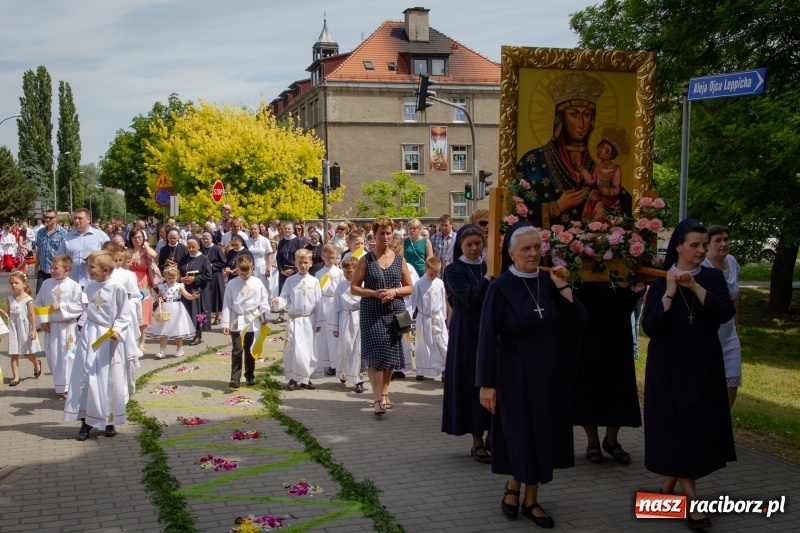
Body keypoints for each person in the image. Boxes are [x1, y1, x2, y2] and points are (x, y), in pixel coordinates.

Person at [477, 226, 586, 529]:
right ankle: (518, 489)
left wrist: (564, 288)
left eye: (537, 247)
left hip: (550, 374)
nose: (533, 253)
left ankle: (528, 497)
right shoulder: (500, 288)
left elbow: (580, 322)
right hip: (513, 374)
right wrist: (486, 383)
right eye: (526, 249)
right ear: (511, 253)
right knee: (521, 435)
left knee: (542, 435)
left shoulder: (549, 282)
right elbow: (486, 337)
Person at [642, 219, 736, 529]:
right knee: (677, 431)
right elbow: (650, 327)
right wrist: (670, 291)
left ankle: (665, 494)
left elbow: (724, 313)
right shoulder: (659, 282)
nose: (700, 250)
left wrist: (694, 286)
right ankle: (693, 505)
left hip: (703, 365)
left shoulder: (712, 276)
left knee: (693, 432)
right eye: (693, 245)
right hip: (667, 368)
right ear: (678, 248)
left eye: (703, 245)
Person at [515, 73, 632, 227]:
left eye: (587, 115)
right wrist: (556, 207)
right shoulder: (533, 161)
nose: (582, 124)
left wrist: (619, 206)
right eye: (573, 114)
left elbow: (622, 198)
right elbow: (516, 208)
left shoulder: (600, 161)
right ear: (560, 118)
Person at [573, 280, 643, 465]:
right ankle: (592, 442)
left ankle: (611, 440)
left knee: (618, 386)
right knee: (589, 387)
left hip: (618, 336)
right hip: (590, 335)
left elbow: (636, 295)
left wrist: (627, 284)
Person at [63, 251, 132, 440]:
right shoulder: (90, 287)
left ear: (105, 270)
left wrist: (118, 329)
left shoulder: (117, 288)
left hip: (107, 337)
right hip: (89, 334)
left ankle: (109, 420)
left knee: (106, 377)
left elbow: (124, 315)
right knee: (86, 376)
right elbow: (86, 310)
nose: (88, 270)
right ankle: (85, 421)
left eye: (92, 267)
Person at [350, 217, 413, 415]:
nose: (385, 237)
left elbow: (410, 287)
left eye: (388, 233)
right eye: (381, 234)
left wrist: (395, 292)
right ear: (374, 236)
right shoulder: (365, 259)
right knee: (375, 355)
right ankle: (377, 398)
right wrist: (374, 293)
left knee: (390, 355)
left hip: (394, 312)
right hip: (371, 312)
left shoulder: (399, 259)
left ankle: (385, 392)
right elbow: (354, 288)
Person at [441, 224, 493, 462]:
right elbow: (470, 298)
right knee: (473, 383)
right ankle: (477, 440)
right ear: (460, 246)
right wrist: (489, 277)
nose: (474, 248)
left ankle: (494, 434)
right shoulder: (454, 270)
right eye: (469, 244)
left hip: (491, 330)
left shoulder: (487, 266)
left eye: (478, 244)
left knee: (493, 380)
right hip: (467, 333)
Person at [270, 249, 323, 391]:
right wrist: (278, 301)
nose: (303, 265)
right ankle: (293, 378)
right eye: (300, 262)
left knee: (307, 351)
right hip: (294, 320)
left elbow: (318, 303)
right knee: (293, 350)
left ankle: (306, 378)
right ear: (295, 263)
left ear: (311, 263)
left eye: (306, 262)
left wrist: (319, 321)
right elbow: (286, 299)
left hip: (308, 320)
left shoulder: (314, 281)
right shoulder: (290, 280)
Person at [702, 224, 742, 407]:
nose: (723, 243)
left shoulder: (732, 261)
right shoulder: (703, 265)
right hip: (709, 333)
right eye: (717, 240)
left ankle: (723, 424)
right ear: (708, 244)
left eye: (726, 239)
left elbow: (735, 297)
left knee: (731, 382)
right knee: (708, 382)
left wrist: (736, 326)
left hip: (729, 333)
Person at [34, 255, 83, 398]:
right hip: (51, 326)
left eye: (56, 268)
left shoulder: (74, 286)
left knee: (68, 357)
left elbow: (79, 306)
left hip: (67, 327)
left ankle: (68, 388)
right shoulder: (47, 284)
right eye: (52, 267)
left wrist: (61, 306)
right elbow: (38, 303)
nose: (52, 271)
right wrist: (42, 321)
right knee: (53, 357)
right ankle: (59, 385)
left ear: (66, 270)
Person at [221, 255, 270, 389]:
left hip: (253, 320)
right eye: (241, 273)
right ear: (236, 269)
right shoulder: (232, 283)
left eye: (247, 273)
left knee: (250, 350)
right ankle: (235, 379)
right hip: (237, 319)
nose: (244, 276)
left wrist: (265, 315)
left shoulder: (257, 282)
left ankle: (249, 375)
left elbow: (264, 301)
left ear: (252, 269)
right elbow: (227, 303)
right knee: (237, 349)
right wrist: (225, 323)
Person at [409, 256, 448, 380]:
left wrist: (444, 316)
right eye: (431, 274)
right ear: (425, 269)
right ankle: (421, 370)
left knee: (441, 342)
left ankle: (444, 368)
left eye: (436, 274)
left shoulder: (440, 283)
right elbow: (413, 302)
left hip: (437, 317)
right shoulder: (419, 283)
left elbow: (443, 300)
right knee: (424, 344)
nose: (433, 276)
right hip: (424, 318)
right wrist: (408, 317)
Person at [579, 127, 629, 221]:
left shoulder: (615, 169)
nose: (601, 151)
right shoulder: (597, 167)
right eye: (601, 146)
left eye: (607, 151)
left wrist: (608, 192)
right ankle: (590, 225)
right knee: (593, 194)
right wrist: (580, 168)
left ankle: (599, 227)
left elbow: (617, 188)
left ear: (612, 156)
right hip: (598, 196)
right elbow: (591, 181)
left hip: (610, 199)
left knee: (600, 206)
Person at [331, 255, 365, 393]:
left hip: (358, 318)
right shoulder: (341, 286)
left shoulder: (363, 284)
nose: (346, 274)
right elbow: (336, 307)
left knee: (358, 349)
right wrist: (335, 326)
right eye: (344, 272)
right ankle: (344, 372)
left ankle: (359, 379)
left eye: (350, 272)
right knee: (344, 347)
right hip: (345, 317)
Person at [2, 271, 42, 386]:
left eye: (16, 283)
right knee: (13, 352)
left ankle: (36, 363)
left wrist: (33, 329)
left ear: (24, 284)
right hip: (14, 328)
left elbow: (31, 316)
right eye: (11, 283)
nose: (13, 285)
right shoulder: (10, 299)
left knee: (26, 353)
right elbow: (10, 314)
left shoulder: (28, 299)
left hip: (25, 328)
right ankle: (16, 377)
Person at [148, 266, 197, 359]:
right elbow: (159, 296)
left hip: (176, 308)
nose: (171, 280)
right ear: (165, 277)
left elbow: (186, 295)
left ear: (177, 277)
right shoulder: (162, 286)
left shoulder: (179, 286)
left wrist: (192, 296)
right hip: (165, 308)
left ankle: (179, 349)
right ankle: (162, 350)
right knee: (163, 330)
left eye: (173, 278)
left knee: (178, 329)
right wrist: (159, 299)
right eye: (169, 278)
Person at [56, 208, 110, 288]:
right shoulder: (67, 237)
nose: (77, 221)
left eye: (80, 218)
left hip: (94, 283)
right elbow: (59, 258)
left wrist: (94, 258)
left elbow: (110, 256)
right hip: (72, 283)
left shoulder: (101, 236)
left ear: (88, 219)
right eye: (75, 218)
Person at [126, 227, 157, 351]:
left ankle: (142, 342)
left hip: (144, 283)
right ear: (131, 239)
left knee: (143, 311)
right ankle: (132, 339)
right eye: (135, 238)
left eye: (140, 237)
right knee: (131, 311)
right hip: (130, 282)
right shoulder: (128, 251)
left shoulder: (145, 252)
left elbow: (154, 256)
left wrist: (146, 245)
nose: (137, 240)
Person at [315, 243, 343, 376]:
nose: (331, 260)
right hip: (323, 302)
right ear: (322, 257)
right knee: (323, 335)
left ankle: (335, 364)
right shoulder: (319, 273)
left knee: (334, 335)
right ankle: (326, 363)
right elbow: (316, 291)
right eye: (328, 257)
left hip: (334, 303)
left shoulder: (340, 272)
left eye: (333, 257)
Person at [179, 237, 212, 346]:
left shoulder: (204, 259)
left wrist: (195, 279)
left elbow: (208, 275)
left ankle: (198, 334)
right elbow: (179, 271)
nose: (191, 249)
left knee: (198, 312)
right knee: (188, 311)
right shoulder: (184, 258)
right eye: (189, 247)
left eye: (193, 247)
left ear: (198, 246)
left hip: (199, 289)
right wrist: (181, 279)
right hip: (187, 289)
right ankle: (190, 332)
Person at [34, 209, 68, 294]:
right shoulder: (40, 232)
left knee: (55, 296)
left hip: (56, 270)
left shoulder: (63, 233)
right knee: (40, 295)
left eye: (50, 218)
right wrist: (35, 268)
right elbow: (39, 250)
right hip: (43, 270)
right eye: (46, 217)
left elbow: (65, 253)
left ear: (56, 218)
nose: (47, 219)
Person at [275, 221, 303, 323]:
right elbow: (278, 258)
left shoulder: (298, 241)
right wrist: (281, 270)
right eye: (285, 229)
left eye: (289, 229)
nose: (287, 231)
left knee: (294, 292)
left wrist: (294, 269)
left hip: (295, 271)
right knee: (282, 293)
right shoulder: (281, 242)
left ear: (293, 230)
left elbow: (301, 256)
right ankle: (281, 315)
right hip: (283, 272)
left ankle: (295, 313)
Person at [200, 231, 226, 326]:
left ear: (211, 239)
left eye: (207, 238)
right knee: (206, 297)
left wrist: (212, 265)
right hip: (205, 276)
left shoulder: (216, 249)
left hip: (215, 275)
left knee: (216, 296)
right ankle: (205, 318)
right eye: (204, 239)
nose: (205, 241)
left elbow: (223, 262)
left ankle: (217, 316)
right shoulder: (201, 249)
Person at [246, 222, 273, 295]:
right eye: (251, 229)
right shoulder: (247, 242)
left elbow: (269, 256)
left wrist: (268, 269)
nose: (253, 231)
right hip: (250, 267)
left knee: (262, 288)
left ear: (258, 230)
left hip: (262, 267)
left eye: (255, 229)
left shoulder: (265, 240)